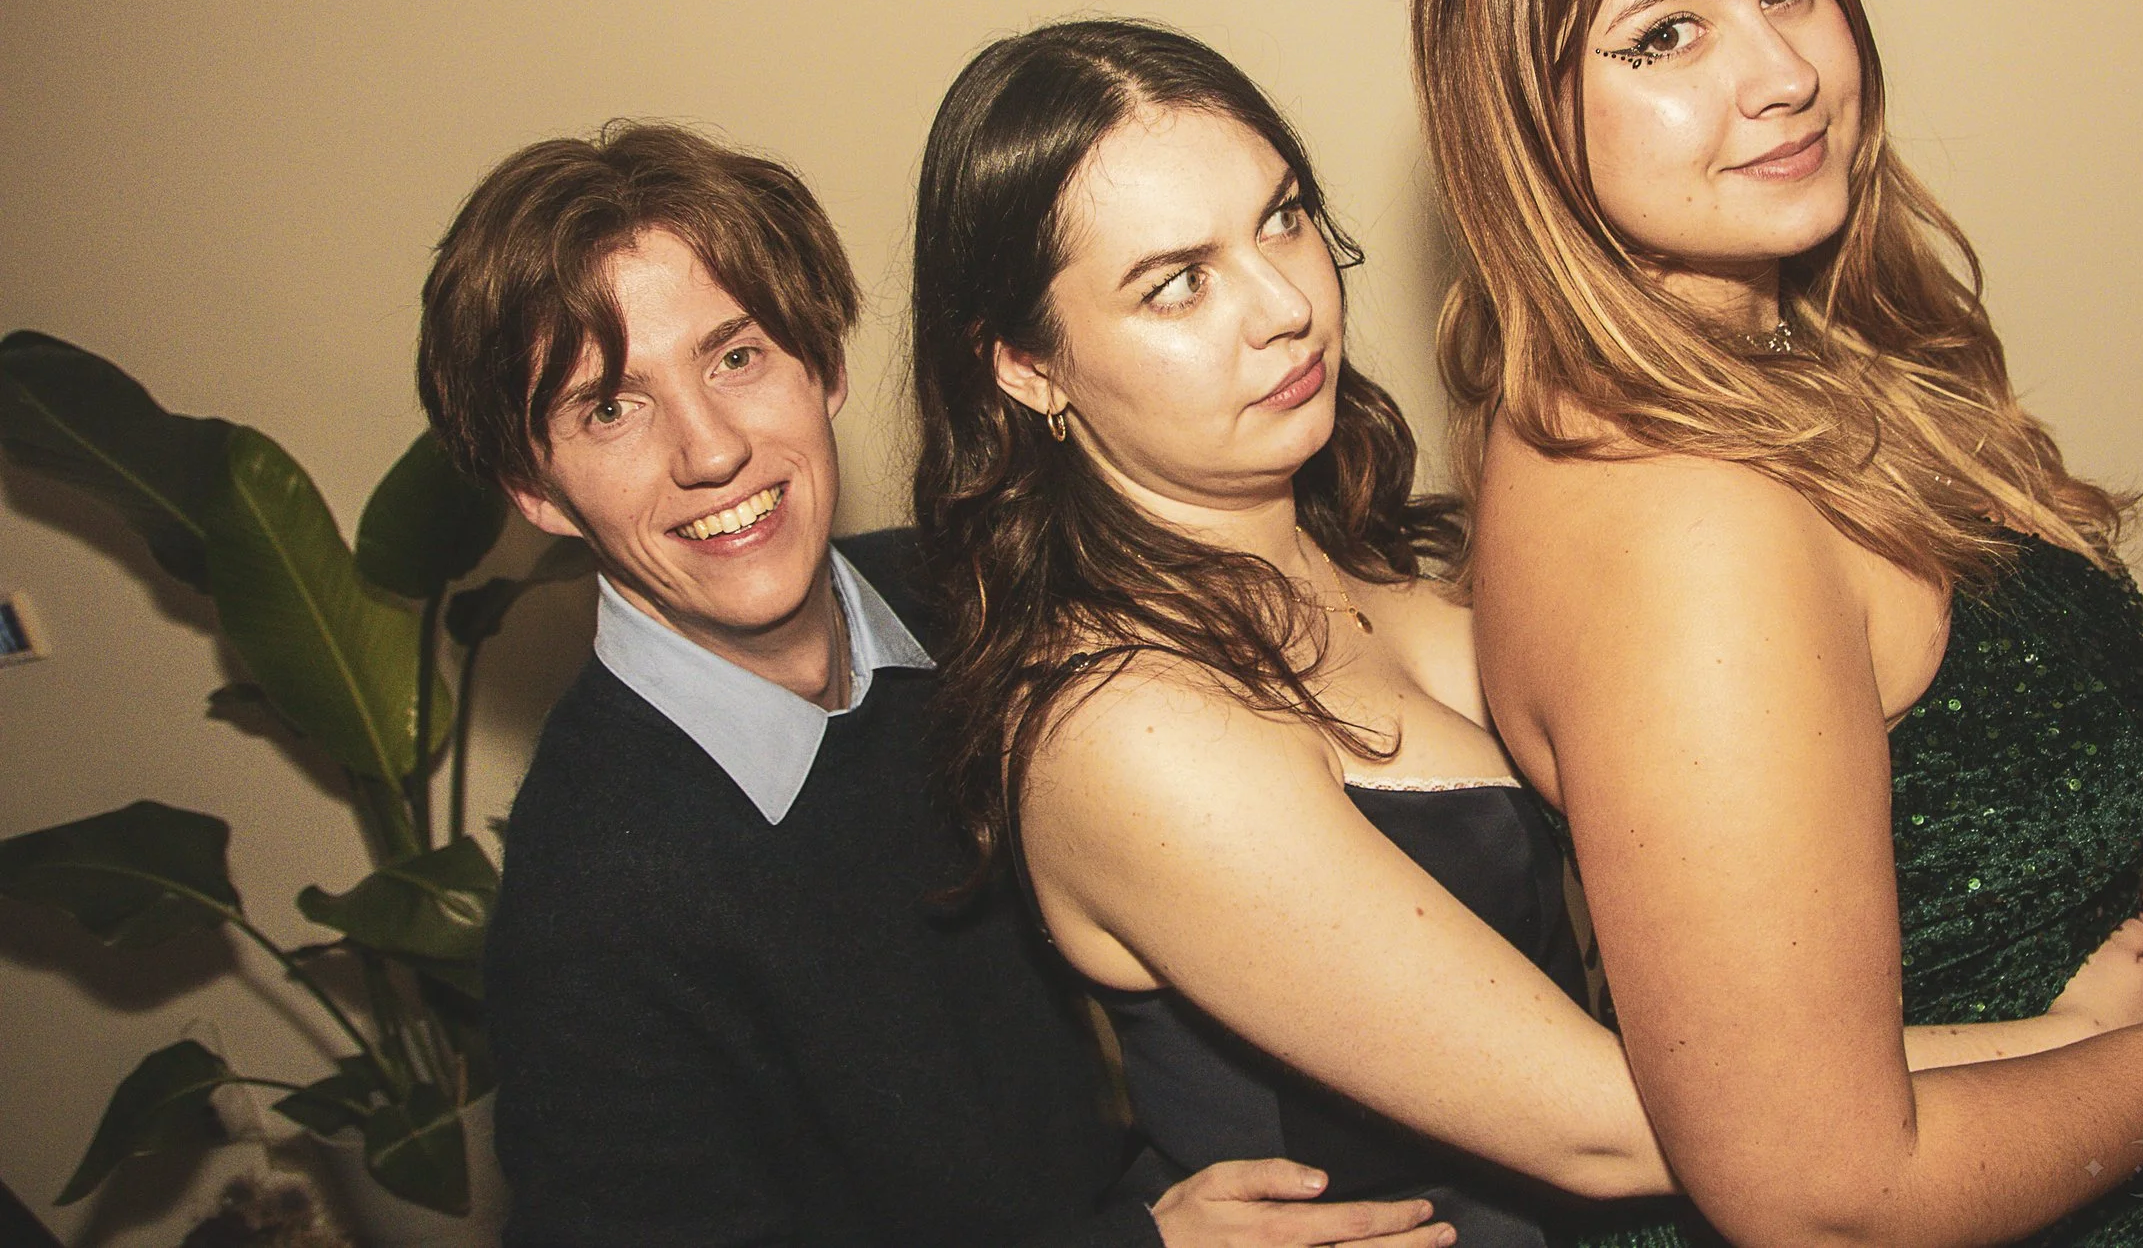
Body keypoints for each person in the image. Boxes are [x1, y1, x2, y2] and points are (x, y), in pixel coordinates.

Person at [908, 21, 2143, 1248]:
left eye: (1282, 218)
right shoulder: (1124, 731)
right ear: (1026, 365)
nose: (1282, 304)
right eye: (1177, 284)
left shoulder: (1401, 554)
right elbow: (1609, 1125)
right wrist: (2085, 1037)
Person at [1411, 0, 2143, 1247]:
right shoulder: (1688, 528)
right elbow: (1826, 1194)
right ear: (1523, 121)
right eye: (1666, 33)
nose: (1782, 72)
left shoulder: (1754, 364)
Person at [418, 122, 1447, 1248]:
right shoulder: (594, 904)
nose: (709, 450)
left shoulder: (969, 594)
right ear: (537, 488)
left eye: (736, 356)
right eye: (611, 408)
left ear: (825, 364)